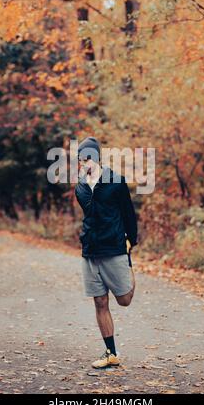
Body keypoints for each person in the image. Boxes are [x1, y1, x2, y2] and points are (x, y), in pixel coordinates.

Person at [74, 136, 138, 369]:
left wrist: (131, 241)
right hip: (90, 250)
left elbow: (128, 214)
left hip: (115, 248)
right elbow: (89, 217)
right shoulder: (80, 187)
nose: (84, 162)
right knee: (100, 301)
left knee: (124, 300)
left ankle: (130, 271)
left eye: (88, 157)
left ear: (97, 158)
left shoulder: (116, 181)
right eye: (81, 159)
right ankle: (111, 352)